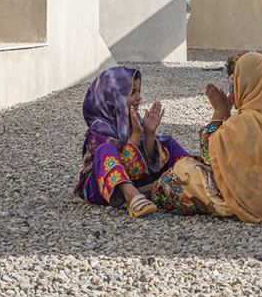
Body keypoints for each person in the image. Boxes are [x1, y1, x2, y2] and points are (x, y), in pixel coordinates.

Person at [149, 51, 262, 220]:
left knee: (182, 170)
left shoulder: (244, 120)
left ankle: (151, 191)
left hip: (248, 202)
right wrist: (227, 114)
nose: (232, 85)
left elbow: (209, 155)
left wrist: (219, 113)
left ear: (246, 82)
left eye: (234, 78)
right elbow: (235, 153)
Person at [73, 67, 189, 218]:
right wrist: (136, 135)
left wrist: (149, 134)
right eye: (132, 92)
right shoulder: (99, 129)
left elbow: (147, 162)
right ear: (113, 97)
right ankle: (132, 195)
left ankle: (195, 174)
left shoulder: (133, 120)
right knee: (105, 149)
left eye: (139, 91)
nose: (139, 97)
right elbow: (120, 164)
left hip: (136, 178)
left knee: (167, 143)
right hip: (102, 188)